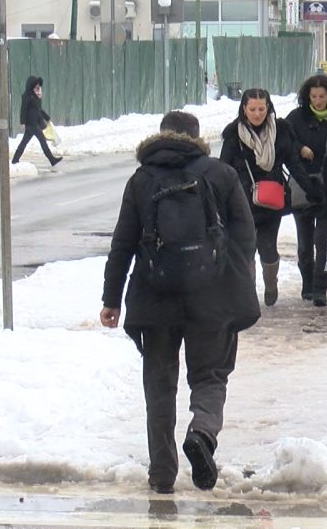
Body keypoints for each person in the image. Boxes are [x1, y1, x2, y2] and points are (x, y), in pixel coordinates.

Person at [100, 110, 260, 495]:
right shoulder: (220, 174)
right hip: (211, 297)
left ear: (161, 136)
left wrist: (111, 299)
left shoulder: (142, 179)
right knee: (210, 376)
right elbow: (245, 237)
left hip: (154, 299)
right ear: (196, 137)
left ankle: (161, 474)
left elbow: (123, 243)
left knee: (159, 386)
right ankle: (202, 433)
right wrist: (237, 285)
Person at [220, 88, 321, 306]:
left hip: (271, 201)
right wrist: (218, 199)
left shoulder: (280, 132)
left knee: (267, 248)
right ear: (244, 109)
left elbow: (293, 164)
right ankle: (248, 294)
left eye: (261, 109)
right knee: (245, 250)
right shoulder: (234, 135)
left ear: (268, 108)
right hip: (242, 203)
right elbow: (223, 170)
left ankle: (270, 282)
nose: (257, 114)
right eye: (252, 109)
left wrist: (311, 190)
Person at [285, 75, 327, 307]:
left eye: (322, 96)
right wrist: (300, 148)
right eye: (313, 96)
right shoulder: (296, 118)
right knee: (305, 242)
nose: (318, 101)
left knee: (322, 238)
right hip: (302, 187)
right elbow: (284, 142)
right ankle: (307, 283)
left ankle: (320, 287)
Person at [11, 75, 62, 166]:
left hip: (35, 123)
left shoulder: (36, 97)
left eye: (38, 85)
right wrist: (22, 122)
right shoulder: (27, 96)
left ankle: (15, 160)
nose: (38, 87)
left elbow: (39, 109)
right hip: (31, 124)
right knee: (42, 141)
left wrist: (47, 117)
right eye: (36, 85)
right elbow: (23, 109)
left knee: (24, 142)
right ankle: (52, 159)